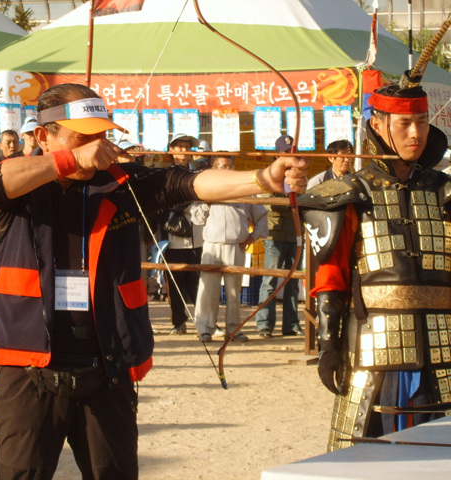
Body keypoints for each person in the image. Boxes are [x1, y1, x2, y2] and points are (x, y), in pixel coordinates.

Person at [0, 83, 308, 479]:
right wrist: (70, 160)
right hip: (27, 364)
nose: (97, 146)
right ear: (44, 137)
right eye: (83, 136)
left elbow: (186, 183)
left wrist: (263, 178)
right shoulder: (20, 180)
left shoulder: (120, 181)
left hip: (107, 363)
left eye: (102, 135)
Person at [299, 81, 451, 451]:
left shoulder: (445, 191)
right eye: (404, 123)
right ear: (378, 125)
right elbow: (331, 275)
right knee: (372, 450)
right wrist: (328, 343)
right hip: (374, 344)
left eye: (421, 121)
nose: (415, 133)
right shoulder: (351, 193)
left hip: (443, 342)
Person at [193, 154, 268, 343]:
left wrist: (253, 236)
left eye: (229, 166)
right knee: (208, 290)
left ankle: (234, 330)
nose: (225, 170)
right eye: (221, 166)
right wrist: (206, 202)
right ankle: (205, 329)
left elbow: (261, 215)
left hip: (236, 245)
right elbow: (196, 218)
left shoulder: (243, 190)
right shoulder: (205, 189)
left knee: (234, 292)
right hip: (212, 245)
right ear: (213, 169)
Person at [255, 135, 304, 338]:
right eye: (285, 152)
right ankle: (264, 324)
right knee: (270, 280)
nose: (290, 156)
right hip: (274, 235)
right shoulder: (269, 175)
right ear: (277, 155)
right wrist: (291, 206)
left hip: (296, 234)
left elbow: (305, 201)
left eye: (292, 152)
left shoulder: (300, 176)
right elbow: (269, 204)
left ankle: (291, 324)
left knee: (293, 281)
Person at [163, 132, 204, 335]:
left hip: (198, 236)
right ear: (171, 150)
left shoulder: (198, 174)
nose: (184, 150)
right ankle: (178, 322)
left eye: (187, 147)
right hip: (172, 238)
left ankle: (203, 322)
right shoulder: (163, 175)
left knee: (197, 282)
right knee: (175, 282)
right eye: (179, 146)